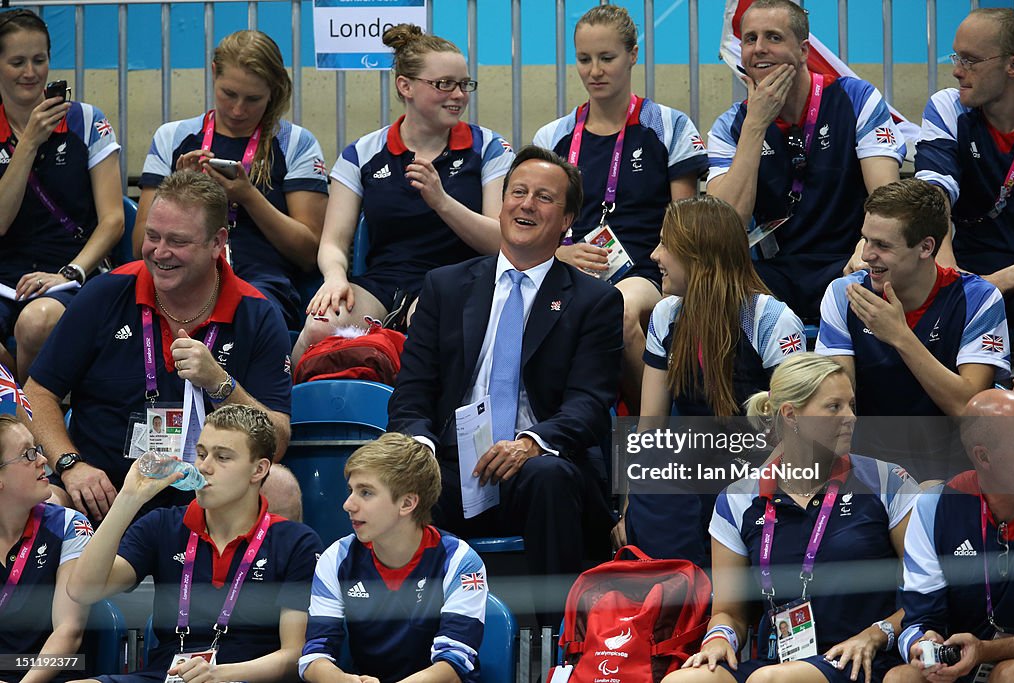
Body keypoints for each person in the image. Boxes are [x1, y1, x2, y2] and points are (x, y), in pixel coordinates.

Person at [387, 145, 623, 624]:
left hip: (538, 468)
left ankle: (559, 640)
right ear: (501, 203)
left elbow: (590, 403)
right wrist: (421, 450)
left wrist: (532, 444)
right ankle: (410, 639)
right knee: (397, 483)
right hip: (454, 466)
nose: (526, 204)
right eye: (517, 192)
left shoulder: (593, 301)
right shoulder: (445, 286)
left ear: (567, 220)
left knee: (548, 477)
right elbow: (412, 391)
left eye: (543, 198)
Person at [24, 170, 294, 523]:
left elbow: (277, 441)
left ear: (217, 242)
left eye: (178, 241)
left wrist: (220, 383)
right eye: (152, 236)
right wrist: (71, 465)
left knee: (281, 486)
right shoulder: (106, 293)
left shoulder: (256, 313)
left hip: (207, 498)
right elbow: (37, 392)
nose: (159, 252)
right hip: (102, 495)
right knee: (43, 505)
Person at [666, 353, 920, 683]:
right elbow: (729, 612)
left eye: (851, 405)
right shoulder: (738, 499)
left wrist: (876, 634)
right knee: (683, 681)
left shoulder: (887, 482)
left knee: (773, 681)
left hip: (860, 657)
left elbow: (927, 593)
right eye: (834, 407)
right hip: (778, 661)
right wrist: (718, 639)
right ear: (791, 415)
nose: (851, 417)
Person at [291, 23, 513, 363]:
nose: (458, 95)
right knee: (320, 325)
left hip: (461, 278)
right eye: (444, 84)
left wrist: (442, 202)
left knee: (430, 325)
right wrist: (335, 278)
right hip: (385, 283)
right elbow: (334, 242)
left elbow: (500, 240)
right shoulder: (361, 154)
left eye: (464, 84)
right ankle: (279, 413)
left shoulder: (489, 148)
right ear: (405, 86)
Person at [533, 4, 708, 414]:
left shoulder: (669, 125)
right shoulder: (553, 136)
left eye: (607, 58)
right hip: (568, 268)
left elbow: (685, 224)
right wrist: (557, 254)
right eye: (584, 59)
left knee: (618, 310)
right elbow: (537, 222)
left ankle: (650, 433)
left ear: (633, 54)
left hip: (646, 271)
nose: (595, 70)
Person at [66, 405, 322, 683]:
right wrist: (129, 498)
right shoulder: (162, 524)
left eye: (222, 457)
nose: (204, 466)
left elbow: (293, 654)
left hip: (242, 678)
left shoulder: (295, 541)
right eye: (201, 454)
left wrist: (217, 674)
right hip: (165, 675)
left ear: (258, 470)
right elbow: (82, 590)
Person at [622, 195, 804, 565]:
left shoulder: (771, 320)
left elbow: (799, 432)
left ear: (698, 256)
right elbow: (650, 428)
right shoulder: (665, 315)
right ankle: (679, 602)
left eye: (665, 246)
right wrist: (628, 505)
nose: (655, 255)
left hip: (763, 468)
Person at [706, 0, 905, 320]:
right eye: (750, 39)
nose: (759, 49)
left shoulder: (856, 98)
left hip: (849, 261)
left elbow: (887, 197)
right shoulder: (730, 126)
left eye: (773, 37)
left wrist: (867, 247)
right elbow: (725, 226)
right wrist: (756, 124)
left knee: (883, 282)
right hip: (769, 272)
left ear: (803, 51)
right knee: (714, 295)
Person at [816, 179, 1009, 480]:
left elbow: (968, 408)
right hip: (870, 469)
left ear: (925, 247)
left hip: (953, 470)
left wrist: (900, 336)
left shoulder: (978, 298)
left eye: (882, 245)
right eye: (865, 240)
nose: (866, 255)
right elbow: (838, 402)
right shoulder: (846, 294)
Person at [134, 30, 328, 330]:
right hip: (177, 276)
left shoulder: (296, 143)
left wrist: (248, 196)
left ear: (273, 91)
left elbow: (308, 254)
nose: (238, 110)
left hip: (258, 282)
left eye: (253, 99)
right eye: (229, 94)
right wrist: (179, 190)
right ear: (213, 73)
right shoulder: (172, 137)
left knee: (245, 317)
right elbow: (139, 247)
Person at [300, 433, 487, 683]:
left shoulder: (459, 561)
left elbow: (453, 665)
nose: (348, 504)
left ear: (407, 503)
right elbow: (315, 656)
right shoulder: (336, 557)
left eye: (365, 493)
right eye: (351, 490)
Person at [0, 8, 124, 381]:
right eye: (17, 62)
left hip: (72, 273)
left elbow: (114, 220)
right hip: (6, 277)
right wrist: (28, 144)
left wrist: (70, 272)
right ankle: (21, 408)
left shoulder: (86, 121)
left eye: (39, 60)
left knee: (35, 323)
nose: (31, 73)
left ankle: (33, 422)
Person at [885, 389, 1014, 683]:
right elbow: (916, 620)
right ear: (983, 456)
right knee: (901, 678)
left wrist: (987, 650)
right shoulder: (935, 507)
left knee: (1012, 673)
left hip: (1012, 660)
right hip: (961, 660)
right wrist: (923, 644)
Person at [914, 8, 1014, 332]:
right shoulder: (948, 107)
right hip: (968, 269)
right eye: (956, 58)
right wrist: (945, 265)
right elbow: (933, 193)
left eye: (970, 61)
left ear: (1013, 65)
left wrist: (996, 284)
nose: (957, 72)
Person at [0, 414, 92, 683]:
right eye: (28, 455)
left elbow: (69, 631)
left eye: (37, 449)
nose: (43, 460)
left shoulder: (69, 526)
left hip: (51, 672)